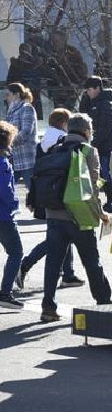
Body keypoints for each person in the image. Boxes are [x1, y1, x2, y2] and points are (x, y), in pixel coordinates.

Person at [40, 113, 112, 323]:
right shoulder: (89, 151)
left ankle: (48, 307)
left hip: (53, 214)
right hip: (78, 216)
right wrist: (100, 214)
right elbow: (91, 189)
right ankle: (103, 302)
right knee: (91, 261)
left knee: (53, 263)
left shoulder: (55, 149)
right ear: (86, 131)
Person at [18, 109, 84, 290]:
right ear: (64, 123)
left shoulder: (43, 142)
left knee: (62, 234)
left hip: (45, 195)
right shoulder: (64, 141)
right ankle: (25, 264)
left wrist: (32, 197)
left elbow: (36, 171)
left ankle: (68, 274)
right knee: (60, 236)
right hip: (63, 195)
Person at [81, 76, 112, 213]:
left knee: (103, 172)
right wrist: (85, 99)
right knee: (92, 173)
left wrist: (93, 143)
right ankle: (93, 199)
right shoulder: (90, 102)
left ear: (97, 88)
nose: (88, 93)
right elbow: (82, 116)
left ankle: (111, 201)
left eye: (90, 90)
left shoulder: (107, 104)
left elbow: (105, 128)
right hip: (92, 144)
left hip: (103, 146)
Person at [0, 121, 24, 310]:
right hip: (3, 216)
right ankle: (5, 293)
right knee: (16, 252)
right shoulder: (2, 163)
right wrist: (15, 205)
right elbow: (6, 190)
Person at [4, 82, 38, 187]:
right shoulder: (11, 111)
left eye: (8, 94)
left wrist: (7, 142)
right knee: (6, 186)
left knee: (33, 190)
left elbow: (26, 131)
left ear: (17, 95)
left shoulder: (26, 108)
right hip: (13, 158)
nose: (6, 98)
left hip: (26, 158)